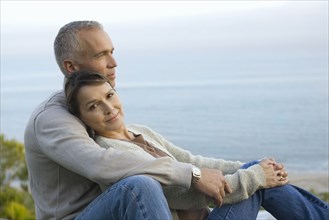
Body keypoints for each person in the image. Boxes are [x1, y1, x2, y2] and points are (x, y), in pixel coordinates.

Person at [65, 71, 329, 220]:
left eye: (109, 95)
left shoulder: (138, 131)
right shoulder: (111, 154)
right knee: (257, 182)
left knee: (257, 173)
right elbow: (183, 192)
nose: (108, 108)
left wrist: (252, 168)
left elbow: (193, 162)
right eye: (93, 106)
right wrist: (255, 176)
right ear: (83, 118)